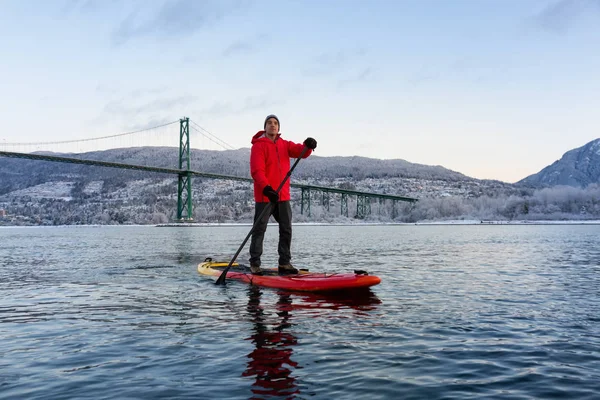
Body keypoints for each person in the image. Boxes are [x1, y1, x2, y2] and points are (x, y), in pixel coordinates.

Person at [249, 114, 317, 275]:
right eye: (269, 123)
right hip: (265, 196)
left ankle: (284, 263)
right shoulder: (258, 146)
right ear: (264, 127)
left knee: (286, 229)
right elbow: (257, 170)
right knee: (259, 230)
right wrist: (266, 188)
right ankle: (255, 263)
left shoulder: (284, 145)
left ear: (278, 128)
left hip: (282, 196)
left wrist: (308, 145)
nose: (272, 125)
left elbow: (301, 151)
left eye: (275, 123)